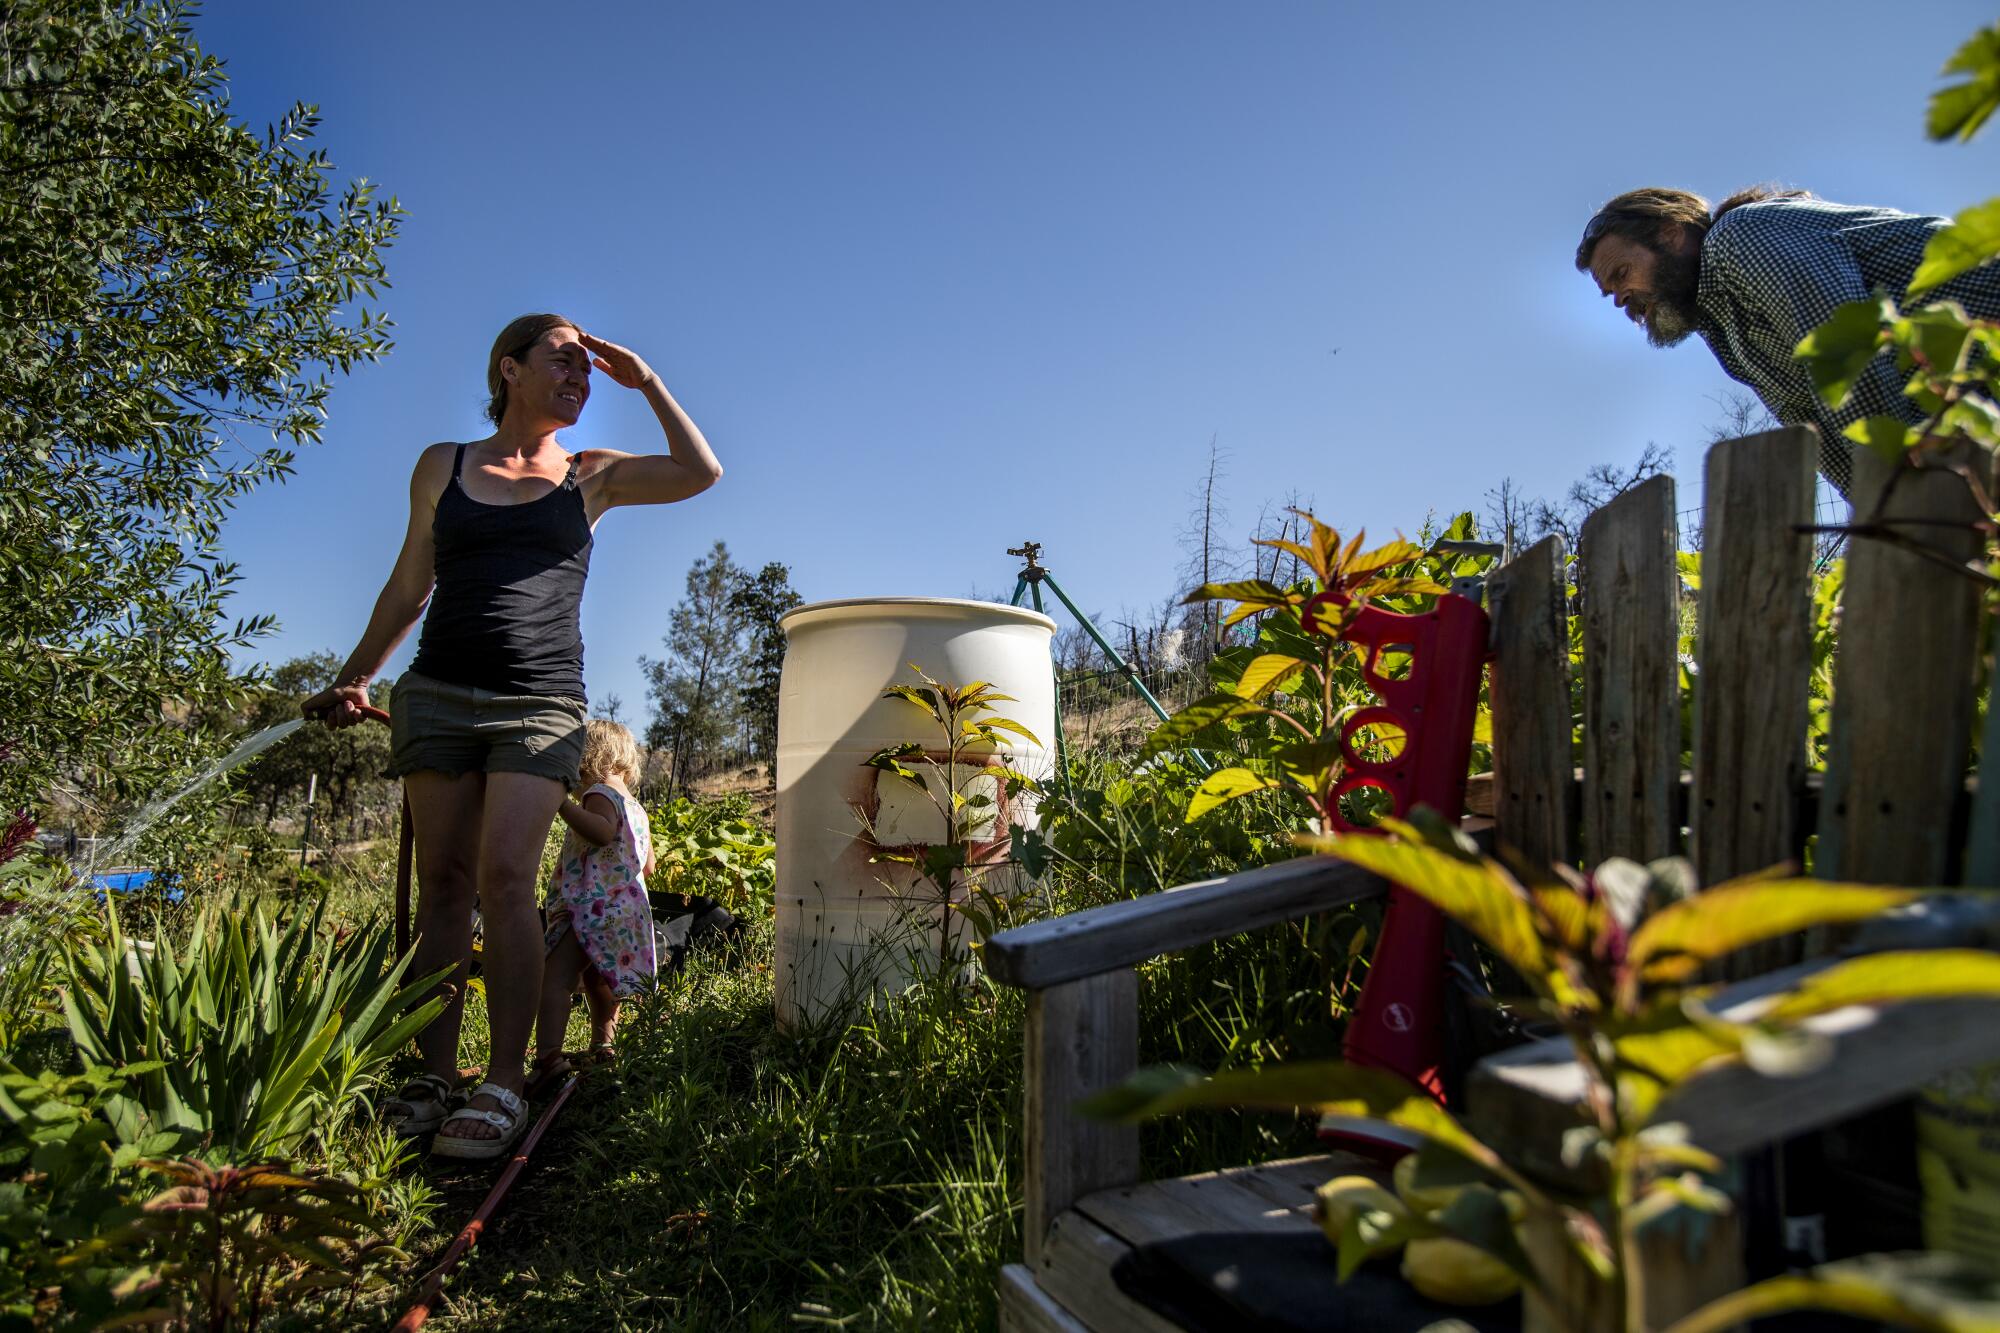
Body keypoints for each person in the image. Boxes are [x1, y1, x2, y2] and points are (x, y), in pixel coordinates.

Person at [303, 314, 722, 1159]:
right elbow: (408, 587)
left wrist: (646, 381)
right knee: (444, 881)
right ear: (509, 368)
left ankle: (502, 1081)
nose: (582, 374)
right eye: (564, 358)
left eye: (590, 367)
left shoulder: (589, 476)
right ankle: (433, 1073)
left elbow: (698, 471)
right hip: (437, 695)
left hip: (539, 704)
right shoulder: (443, 465)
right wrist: (357, 673)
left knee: (504, 875)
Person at [1575, 186, 2000, 495]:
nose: (1619, 300)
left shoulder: (1739, 237)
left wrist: (1908, 492)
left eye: (1621, 274)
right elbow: (1818, 431)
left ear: (1671, 234)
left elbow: (1845, 351)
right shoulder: (1721, 329)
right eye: (1608, 293)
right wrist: (1880, 513)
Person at [533, 719, 655, 1079]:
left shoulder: (598, 793)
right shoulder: (636, 807)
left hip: (591, 906)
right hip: (625, 908)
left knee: (556, 977)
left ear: (587, 757)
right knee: (601, 979)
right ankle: (604, 1043)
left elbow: (601, 833)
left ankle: (549, 1058)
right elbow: (648, 865)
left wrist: (560, 804)